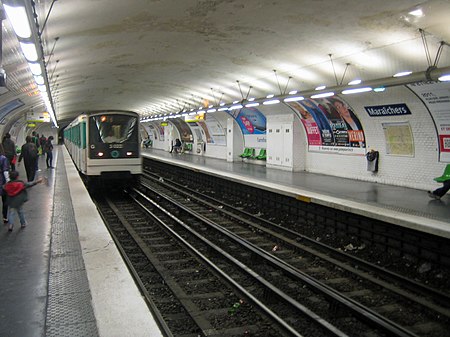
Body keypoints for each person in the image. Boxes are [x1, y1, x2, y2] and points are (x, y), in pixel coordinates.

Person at [0, 145, 10, 224]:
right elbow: (5, 170)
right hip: (2, 181)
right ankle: (5, 216)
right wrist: (8, 181)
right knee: (5, 200)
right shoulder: (3, 158)